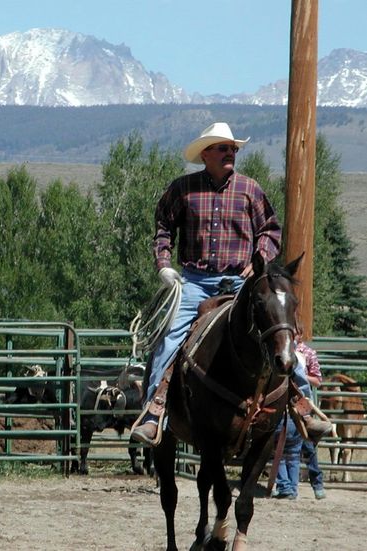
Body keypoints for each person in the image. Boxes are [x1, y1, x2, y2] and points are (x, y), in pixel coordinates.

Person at [131, 122, 282, 445]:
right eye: (223, 148)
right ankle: (154, 412)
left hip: (241, 282)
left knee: (278, 332)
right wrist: (163, 266)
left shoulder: (250, 189)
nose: (231, 153)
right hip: (195, 281)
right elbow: (163, 227)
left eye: (233, 149)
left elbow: (270, 230)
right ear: (205, 154)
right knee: (169, 339)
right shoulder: (182, 189)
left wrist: (259, 263)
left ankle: (301, 403)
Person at [272, 332, 326, 499]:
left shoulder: (295, 355)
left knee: (280, 451)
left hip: (287, 407)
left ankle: (288, 487)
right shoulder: (297, 355)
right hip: (296, 408)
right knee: (294, 451)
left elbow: (315, 380)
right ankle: (292, 489)